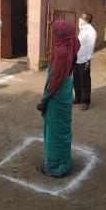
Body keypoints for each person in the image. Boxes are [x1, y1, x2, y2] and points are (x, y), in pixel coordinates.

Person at [36, 21, 80, 178]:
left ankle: (56, 166)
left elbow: (54, 79)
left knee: (55, 130)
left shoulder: (60, 52)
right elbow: (69, 68)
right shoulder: (74, 42)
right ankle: (62, 161)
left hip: (57, 91)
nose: (56, 35)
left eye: (57, 33)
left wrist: (44, 100)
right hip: (67, 87)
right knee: (63, 127)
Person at [73, 12, 97, 111]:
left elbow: (91, 47)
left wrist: (88, 61)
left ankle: (85, 101)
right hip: (77, 58)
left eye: (82, 18)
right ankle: (78, 98)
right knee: (76, 79)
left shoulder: (91, 31)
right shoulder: (82, 29)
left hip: (84, 60)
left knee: (85, 81)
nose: (80, 19)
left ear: (86, 20)